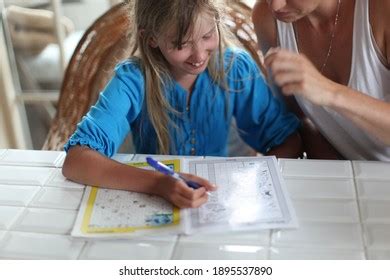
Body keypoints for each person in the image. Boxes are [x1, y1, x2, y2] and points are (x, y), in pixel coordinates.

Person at [62, 0, 302, 208]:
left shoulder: (235, 69)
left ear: (218, 21)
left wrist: (251, 184)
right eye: (181, 44)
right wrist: (158, 183)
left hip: (218, 202)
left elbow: (288, 142)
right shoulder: (133, 80)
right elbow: (76, 161)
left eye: (207, 36)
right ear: (151, 38)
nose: (199, 56)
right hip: (154, 204)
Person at [252, 0, 390, 161]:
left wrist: (331, 92)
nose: (275, 6)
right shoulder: (267, 18)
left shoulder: (382, 9)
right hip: (345, 172)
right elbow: (299, 119)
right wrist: (333, 172)